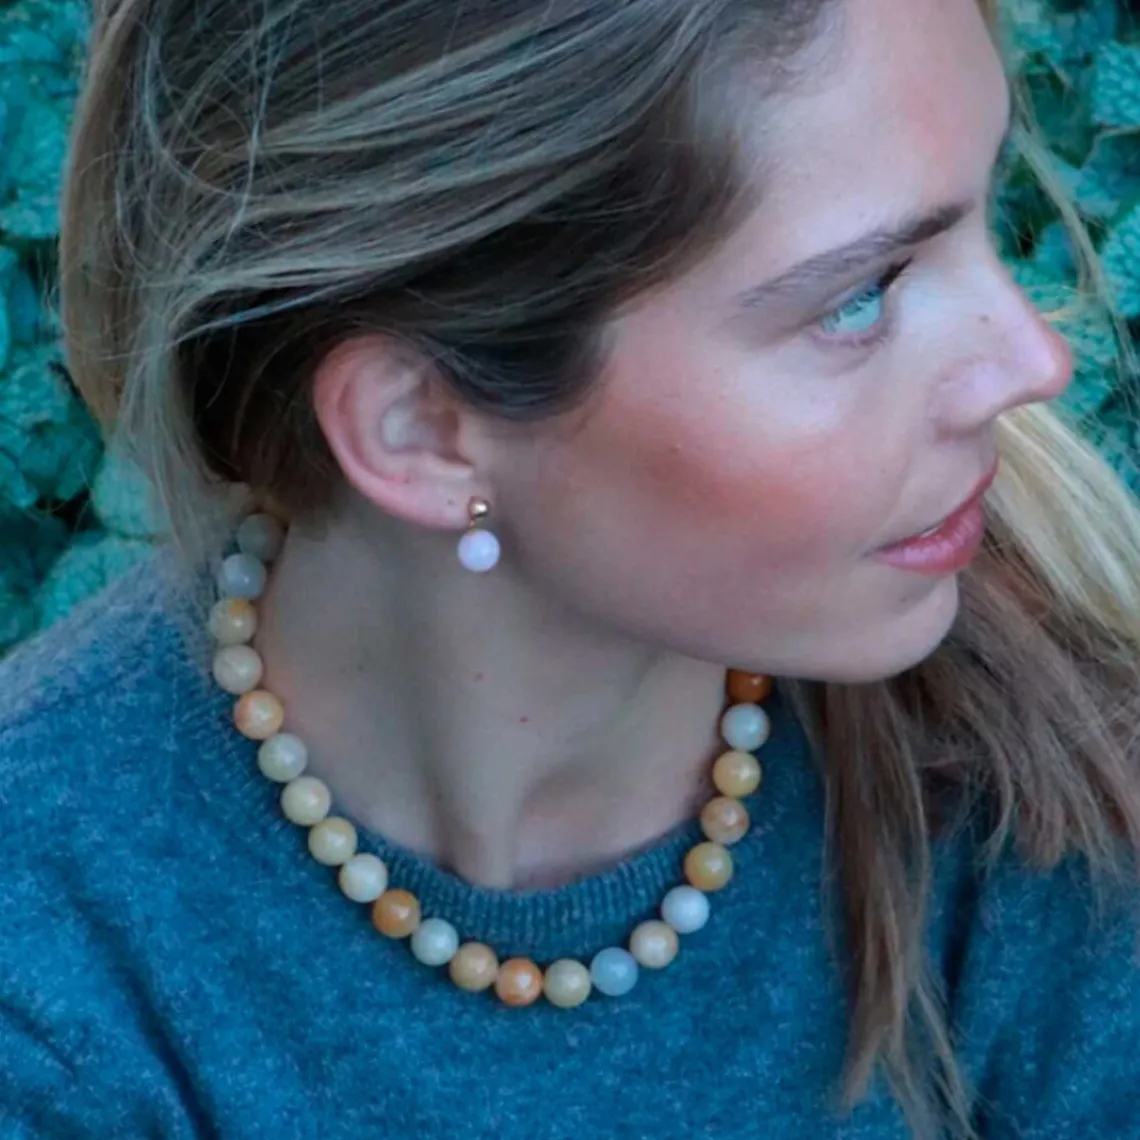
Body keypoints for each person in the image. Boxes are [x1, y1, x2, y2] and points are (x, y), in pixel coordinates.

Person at [3, 0, 1140, 1135]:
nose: (1033, 361)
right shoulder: (53, 967)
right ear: (423, 431)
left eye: (988, 210)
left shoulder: (1045, 788)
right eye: (859, 298)